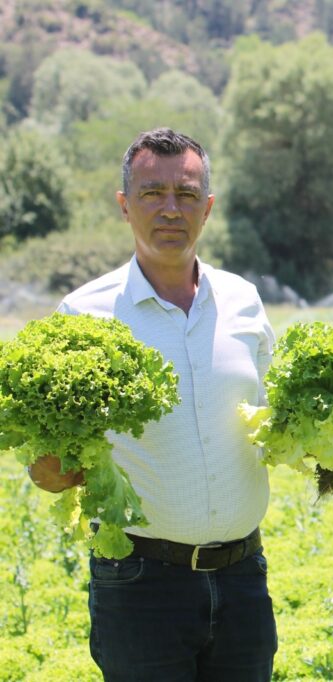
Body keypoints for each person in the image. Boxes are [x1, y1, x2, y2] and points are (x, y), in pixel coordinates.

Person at [27, 128, 278, 681]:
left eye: (186, 194)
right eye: (151, 193)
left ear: (207, 208)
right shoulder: (83, 315)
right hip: (139, 583)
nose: (171, 209)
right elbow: (48, 465)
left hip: (243, 578)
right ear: (124, 205)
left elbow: (273, 421)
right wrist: (54, 470)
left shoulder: (243, 301)